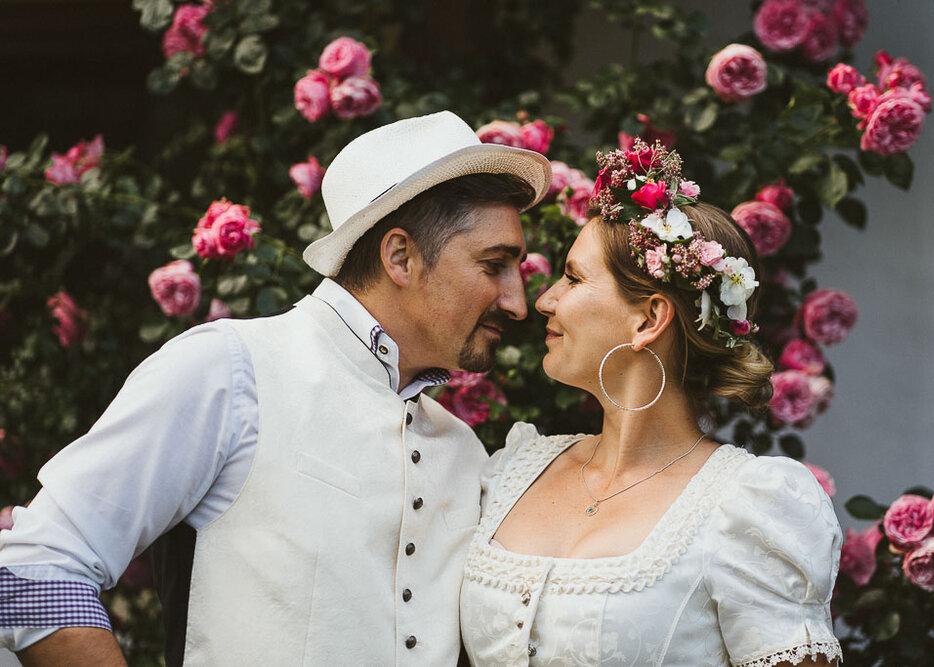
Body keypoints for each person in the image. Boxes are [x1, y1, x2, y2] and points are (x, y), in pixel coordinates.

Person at [0, 111, 551, 665]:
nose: (517, 301)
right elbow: (39, 564)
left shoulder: (462, 450)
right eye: (495, 265)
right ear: (400, 257)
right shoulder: (229, 372)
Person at [460, 143, 843, 666]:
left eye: (572, 278)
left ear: (648, 320)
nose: (544, 300)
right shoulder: (510, 473)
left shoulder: (746, 509)